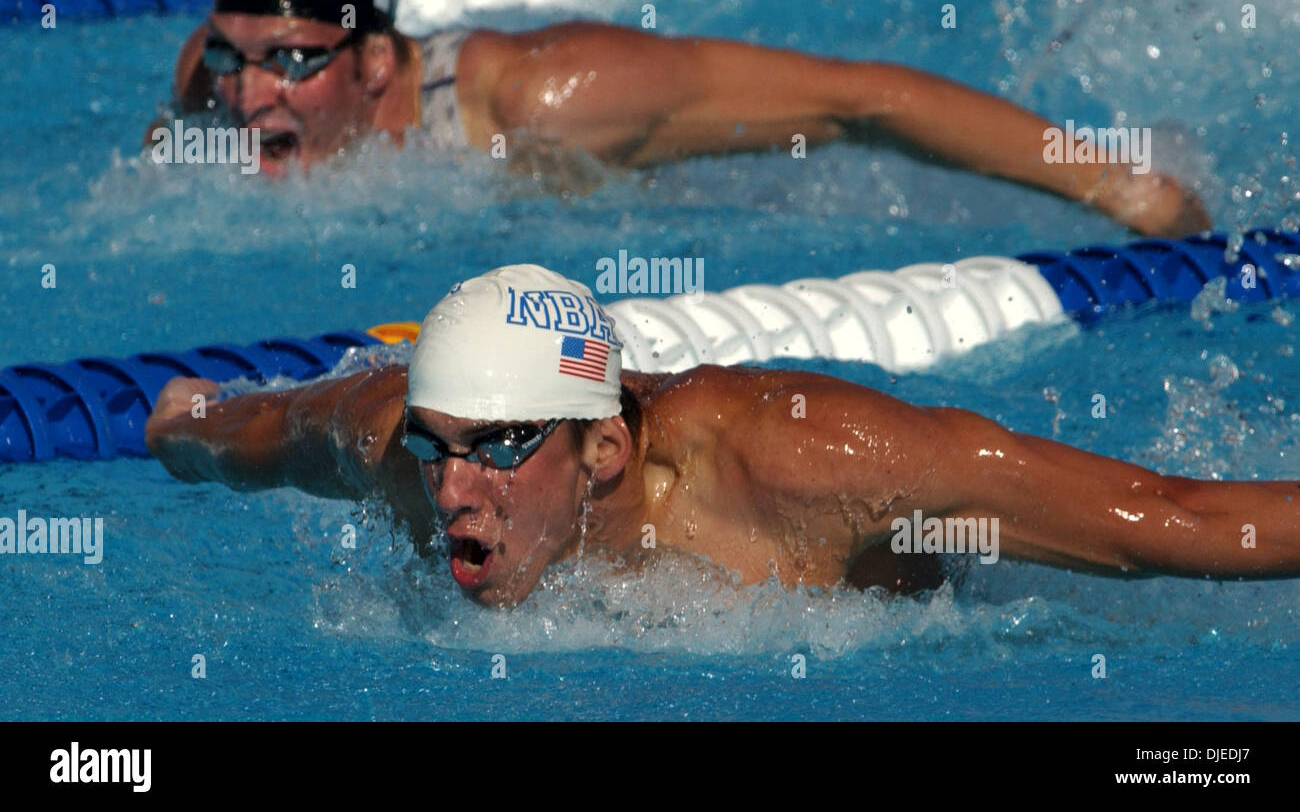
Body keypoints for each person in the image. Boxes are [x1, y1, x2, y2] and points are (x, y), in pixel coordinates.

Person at [145, 264, 1300, 609]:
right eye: (436, 446)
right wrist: (178, 416)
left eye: (496, 448)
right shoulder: (388, 445)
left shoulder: (810, 464)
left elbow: (1172, 518)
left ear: (600, 451)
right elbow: (240, 421)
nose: (452, 490)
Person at [151, 0, 1208, 235]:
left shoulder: (543, 98)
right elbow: (207, 65)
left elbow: (860, 98)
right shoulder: (227, 82)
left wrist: (1115, 181)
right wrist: (223, 73)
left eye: (290, 61)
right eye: (238, 63)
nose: (251, 97)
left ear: (377, 60)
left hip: (736, 190)